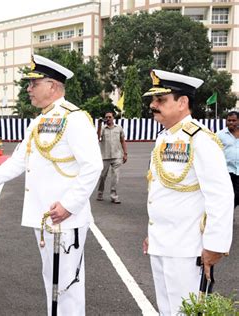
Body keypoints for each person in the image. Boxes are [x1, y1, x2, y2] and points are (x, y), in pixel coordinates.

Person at [0, 54, 103, 315]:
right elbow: (18, 163)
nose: (28, 89)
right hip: (45, 218)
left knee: (68, 285)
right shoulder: (38, 122)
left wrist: (69, 206)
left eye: (34, 83)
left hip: (64, 218)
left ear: (53, 86)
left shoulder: (75, 118)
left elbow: (93, 165)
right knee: (52, 283)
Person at [142, 69, 234, 315]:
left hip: (186, 248)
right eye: (153, 100)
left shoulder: (200, 140)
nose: (153, 105)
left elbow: (221, 195)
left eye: (160, 100)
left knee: (185, 311)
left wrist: (215, 245)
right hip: (162, 243)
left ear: (183, 103)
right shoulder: (163, 138)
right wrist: (153, 233)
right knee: (166, 309)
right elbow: (161, 191)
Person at [96, 111, 127, 204]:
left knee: (115, 177)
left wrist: (125, 153)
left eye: (110, 117)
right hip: (104, 156)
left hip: (117, 156)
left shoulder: (119, 128)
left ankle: (114, 196)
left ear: (113, 118)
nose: (108, 119)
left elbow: (123, 141)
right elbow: (97, 138)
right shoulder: (102, 128)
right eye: (106, 117)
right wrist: (99, 125)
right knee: (102, 176)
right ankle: (100, 192)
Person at [217, 111, 239, 208]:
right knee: (230, 196)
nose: (231, 122)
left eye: (233, 120)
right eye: (229, 120)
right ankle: (228, 216)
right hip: (227, 171)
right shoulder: (219, 135)